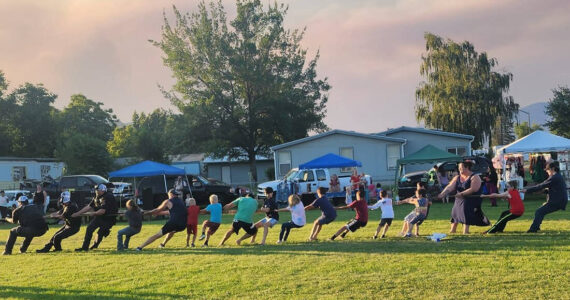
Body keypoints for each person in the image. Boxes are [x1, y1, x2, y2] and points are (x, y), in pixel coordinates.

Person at [438, 161, 490, 234]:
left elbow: (474, 189)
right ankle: (452, 230)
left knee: (465, 211)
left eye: (461, 168)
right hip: (459, 198)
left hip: (471, 199)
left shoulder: (475, 177)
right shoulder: (457, 177)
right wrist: (442, 194)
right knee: (455, 213)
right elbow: (450, 187)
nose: (459, 170)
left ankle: (465, 231)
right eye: (459, 168)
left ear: (467, 168)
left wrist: (462, 193)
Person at [522, 161, 568, 233]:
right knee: (541, 212)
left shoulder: (554, 177)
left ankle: (533, 229)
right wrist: (545, 192)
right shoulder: (558, 176)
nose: (547, 172)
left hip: (557, 201)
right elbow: (554, 189)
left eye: (547, 170)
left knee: (539, 212)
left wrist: (527, 190)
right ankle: (536, 227)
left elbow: (541, 186)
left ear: (553, 169)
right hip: (560, 200)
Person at [73, 184, 119, 251]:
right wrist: (78, 213)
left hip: (109, 218)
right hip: (100, 217)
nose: (96, 191)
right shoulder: (96, 197)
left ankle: (95, 245)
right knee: (89, 229)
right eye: (96, 190)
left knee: (100, 233)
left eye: (97, 190)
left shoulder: (108, 196)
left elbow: (103, 211)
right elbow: (89, 207)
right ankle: (84, 247)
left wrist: (94, 213)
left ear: (102, 190)